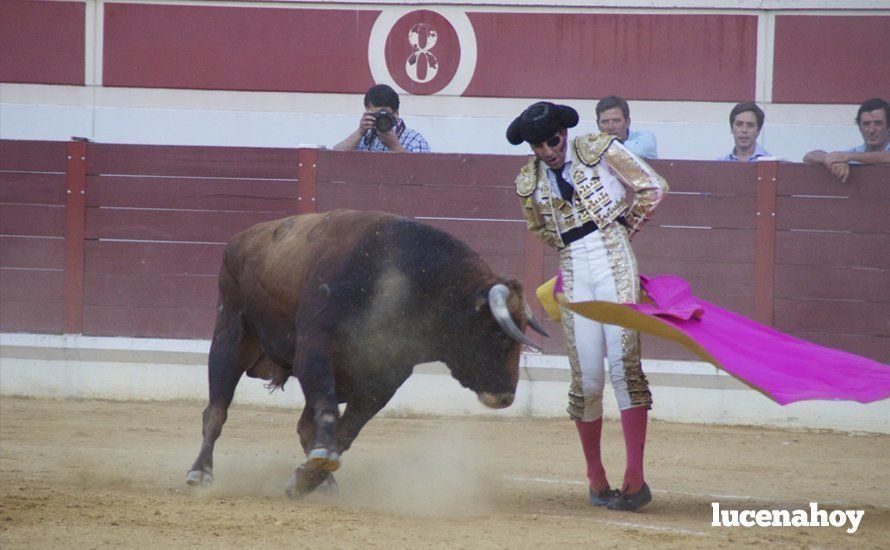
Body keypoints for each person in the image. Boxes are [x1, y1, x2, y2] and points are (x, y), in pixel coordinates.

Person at [507, 102, 668, 512]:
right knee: (588, 380)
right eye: (538, 145)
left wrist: (622, 230)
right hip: (575, 270)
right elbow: (540, 228)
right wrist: (572, 251)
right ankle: (596, 478)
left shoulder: (597, 148)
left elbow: (652, 186)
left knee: (623, 367)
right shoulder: (527, 180)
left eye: (552, 140)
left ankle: (635, 481)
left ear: (564, 132)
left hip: (613, 259)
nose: (547, 150)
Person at [803, 98, 890, 183]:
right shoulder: (856, 152)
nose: (871, 130)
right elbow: (809, 156)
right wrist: (830, 159)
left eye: (878, 123)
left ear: (888, 127)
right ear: (860, 128)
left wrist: (849, 157)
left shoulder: (852, 155)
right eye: (866, 124)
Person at [333, 84, 430, 153]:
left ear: (396, 113)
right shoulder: (362, 138)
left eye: (385, 115)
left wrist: (395, 146)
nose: (380, 119)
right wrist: (360, 132)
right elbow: (334, 158)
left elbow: (420, 174)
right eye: (375, 115)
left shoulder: (415, 141)